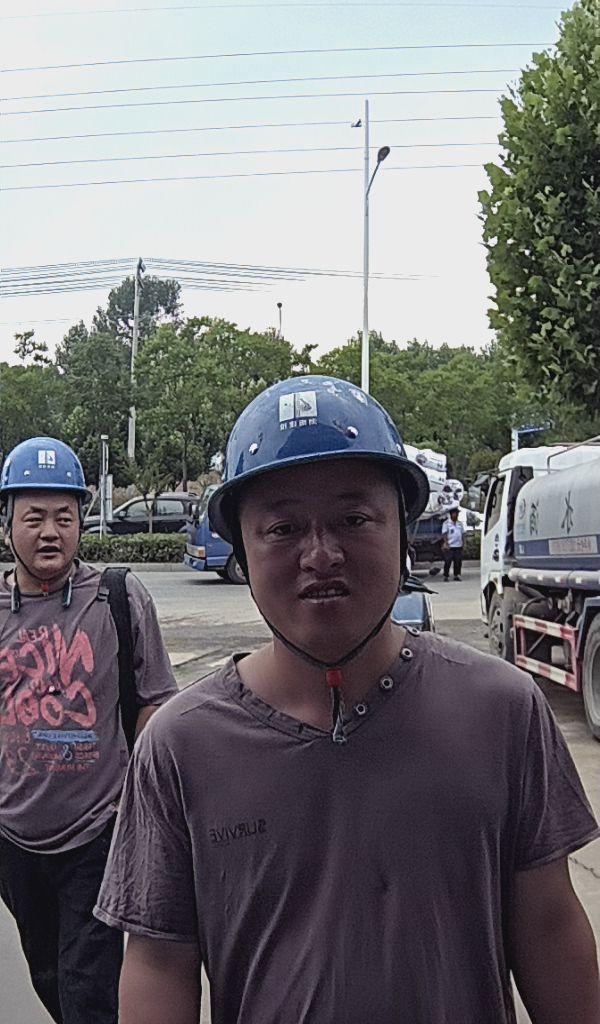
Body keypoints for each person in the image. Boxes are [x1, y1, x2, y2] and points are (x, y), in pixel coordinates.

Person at [95, 377, 600, 1024]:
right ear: (241, 552)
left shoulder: (502, 711)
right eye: (283, 528)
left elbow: (550, 926)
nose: (321, 554)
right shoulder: (179, 748)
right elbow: (158, 964)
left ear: (403, 531)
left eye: (353, 519)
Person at [0, 437, 178, 1024]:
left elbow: (155, 701)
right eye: (34, 518)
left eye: (64, 517)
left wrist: (136, 805)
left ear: (81, 523)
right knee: (48, 972)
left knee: (87, 988)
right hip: (13, 837)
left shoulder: (116, 597)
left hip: (97, 832)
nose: (50, 532)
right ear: (8, 525)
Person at [441, 505, 465, 581]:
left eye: (457, 513)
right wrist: (446, 543)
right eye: (455, 513)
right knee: (447, 561)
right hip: (450, 546)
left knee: (458, 562)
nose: (457, 515)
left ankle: (456, 575)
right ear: (451, 514)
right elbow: (444, 534)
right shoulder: (446, 523)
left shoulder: (460, 524)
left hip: (458, 545)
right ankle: (446, 576)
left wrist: (464, 543)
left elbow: (463, 534)